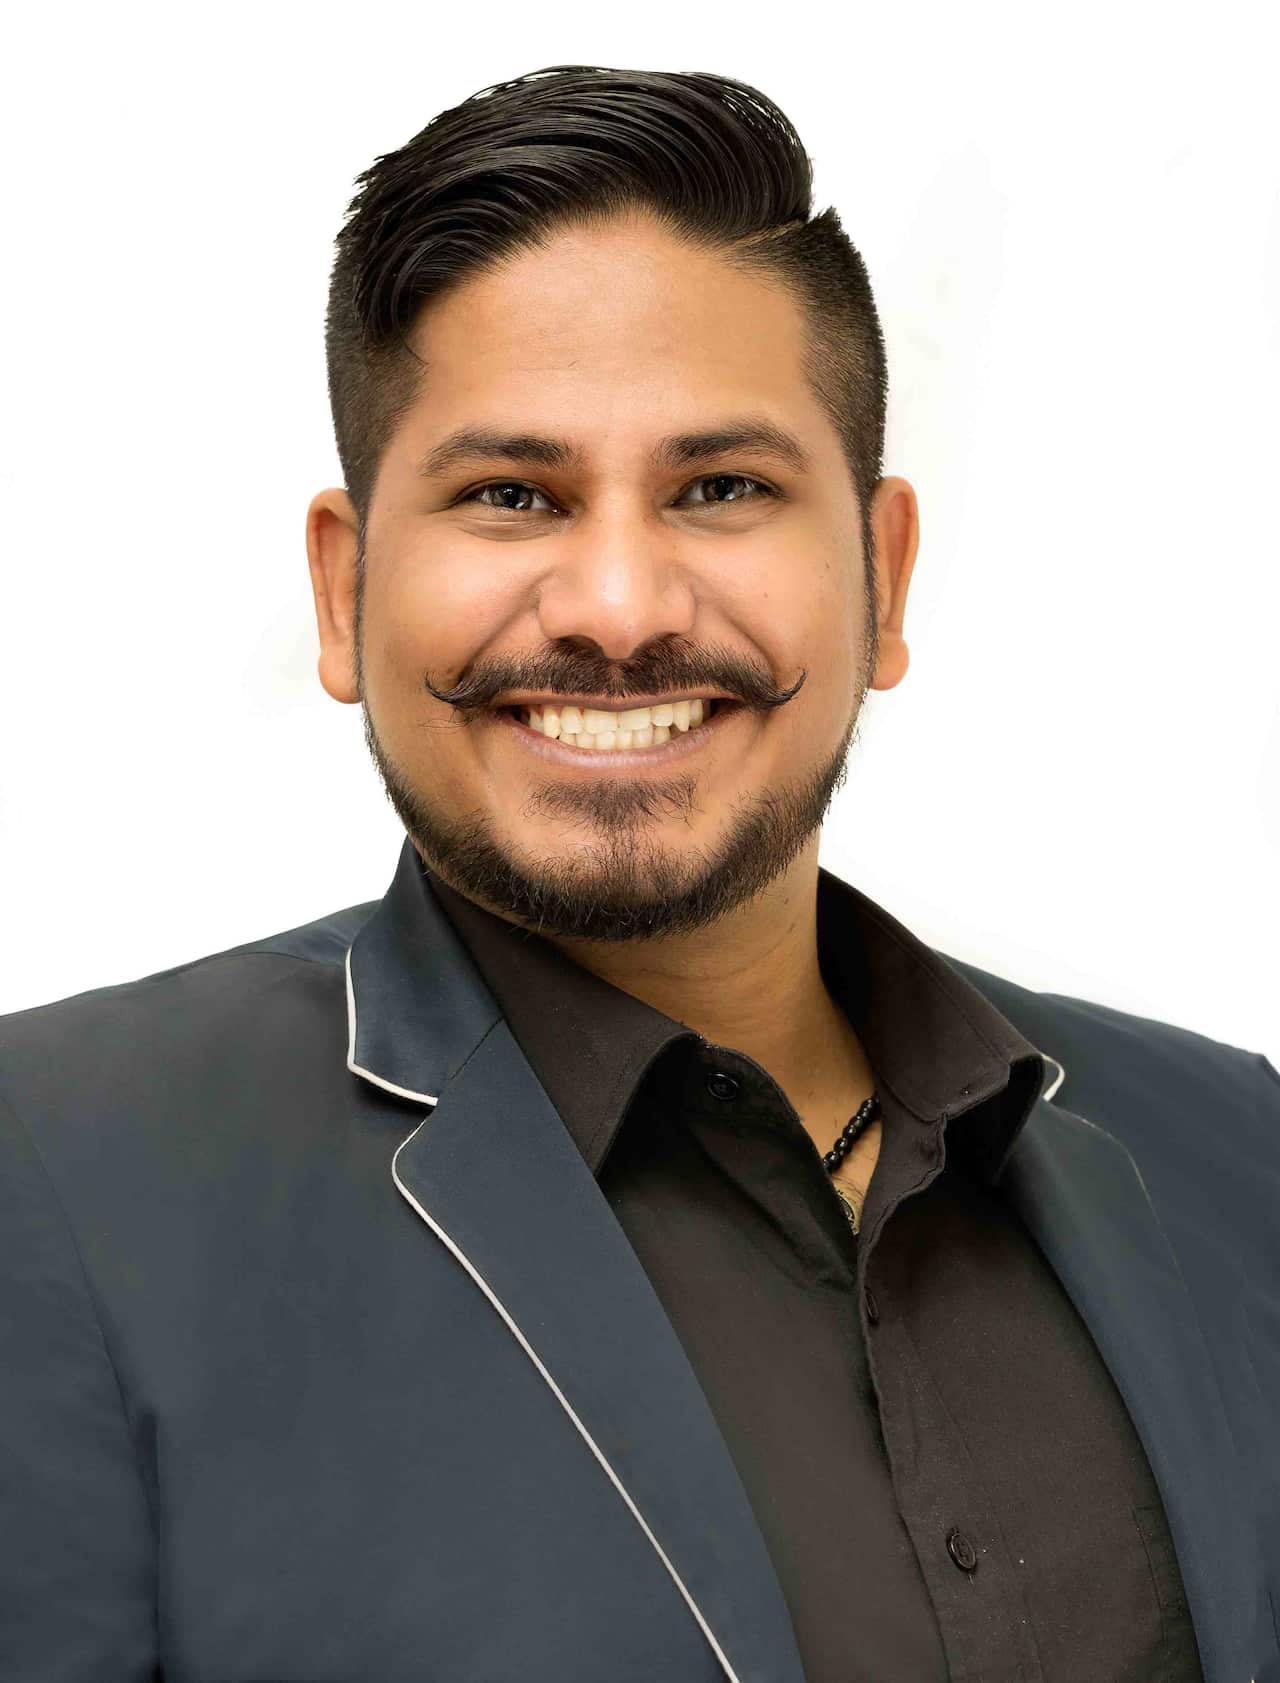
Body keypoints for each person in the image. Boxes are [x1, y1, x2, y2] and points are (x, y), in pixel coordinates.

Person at [1, 63, 1275, 1683]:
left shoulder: (1236, 1156)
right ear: (344, 591)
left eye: (721, 488)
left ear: (881, 576)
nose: (616, 602)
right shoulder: (51, 1175)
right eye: (511, 494)